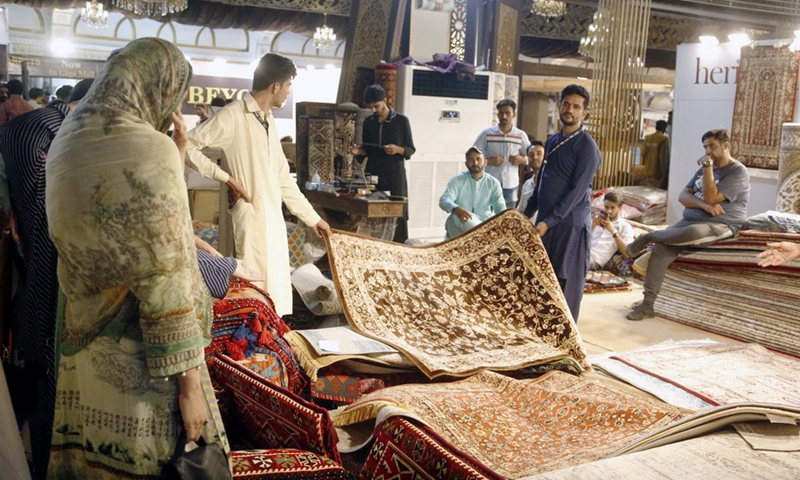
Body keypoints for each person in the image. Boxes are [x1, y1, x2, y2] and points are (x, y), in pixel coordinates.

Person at [44, 38, 229, 479]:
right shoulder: (147, 147)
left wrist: (177, 152)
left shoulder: (66, 143)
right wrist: (190, 387)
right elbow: (167, 271)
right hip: (142, 354)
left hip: (80, 337)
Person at [185, 52, 330, 317]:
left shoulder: (267, 120)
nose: (287, 92)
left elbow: (283, 178)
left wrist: (312, 219)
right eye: (287, 86)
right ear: (275, 86)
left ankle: (274, 342)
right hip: (251, 215)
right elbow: (187, 146)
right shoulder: (232, 116)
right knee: (252, 287)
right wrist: (225, 178)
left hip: (272, 218)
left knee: (276, 287)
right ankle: (252, 345)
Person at [0, 78, 93, 479]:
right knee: (50, 390)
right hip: (48, 279)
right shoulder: (34, 131)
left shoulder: (53, 131)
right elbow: (50, 228)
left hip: (47, 279)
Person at [626, 128, 750, 320]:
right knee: (661, 249)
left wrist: (708, 170)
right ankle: (647, 306)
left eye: (712, 146)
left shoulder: (737, 171)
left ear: (726, 146)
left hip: (722, 224)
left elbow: (711, 196)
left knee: (692, 232)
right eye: (705, 147)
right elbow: (683, 196)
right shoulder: (703, 169)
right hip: (692, 218)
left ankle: (648, 236)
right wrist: (704, 206)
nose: (708, 151)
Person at [523, 84, 602, 322]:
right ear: (560, 106)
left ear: (584, 114)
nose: (570, 110)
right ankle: (545, 336)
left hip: (570, 226)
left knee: (566, 284)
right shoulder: (553, 140)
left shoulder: (587, 147)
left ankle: (566, 342)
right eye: (566, 104)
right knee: (545, 280)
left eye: (576, 107)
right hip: (547, 225)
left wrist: (549, 222)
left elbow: (577, 192)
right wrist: (526, 214)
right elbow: (541, 183)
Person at [351, 84, 416, 243]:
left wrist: (397, 150)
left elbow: (410, 149)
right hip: (373, 174)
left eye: (376, 106)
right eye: (370, 107)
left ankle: (399, 252)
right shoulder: (368, 122)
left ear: (385, 100)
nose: (373, 110)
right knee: (373, 214)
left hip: (394, 175)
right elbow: (367, 150)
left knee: (397, 215)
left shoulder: (401, 121)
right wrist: (359, 152)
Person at [474, 99, 530, 209]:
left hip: (511, 184)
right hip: (489, 183)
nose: (504, 116)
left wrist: (522, 160)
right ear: (497, 114)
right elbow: (473, 155)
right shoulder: (487, 134)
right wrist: (488, 161)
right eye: (501, 113)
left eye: (507, 113)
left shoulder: (520, 135)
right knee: (486, 214)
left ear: (513, 114)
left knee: (508, 216)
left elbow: (531, 156)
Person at [439, 146, 505, 239]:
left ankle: (480, 239)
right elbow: (444, 200)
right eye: (471, 160)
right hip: (460, 226)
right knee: (454, 218)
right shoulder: (457, 180)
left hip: (482, 225)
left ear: (485, 162)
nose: (475, 163)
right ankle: (482, 240)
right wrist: (456, 209)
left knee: (458, 220)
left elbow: (501, 210)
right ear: (466, 164)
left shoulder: (493, 183)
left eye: (478, 159)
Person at [590, 192, 635, 270]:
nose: (609, 211)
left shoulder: (624, 227)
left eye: (612, 208)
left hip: (595, 261)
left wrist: (613, 231)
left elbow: (628, 254)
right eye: (606, 207)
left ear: (620, 208)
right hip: (582, 253)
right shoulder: (598, 220)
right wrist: (592, 227)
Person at [516, 140, 545, 214]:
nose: (535, 157)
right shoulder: (527, 184)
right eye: (531, 155)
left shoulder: (553, 182)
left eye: (539, 154)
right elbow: (520, 211)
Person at [641, 119, 670, 186]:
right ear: (665, 129)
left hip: (647, 171)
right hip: (657, 174)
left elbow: (643, 153)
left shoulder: (648, 138)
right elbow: (664, 158)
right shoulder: (664, 139)